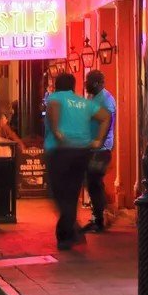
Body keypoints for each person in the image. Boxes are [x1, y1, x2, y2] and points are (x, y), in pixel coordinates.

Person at [43, 73, 110, 251]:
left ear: (57, 85)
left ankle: (67, 232)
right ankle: (69, 232)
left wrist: (57, 130)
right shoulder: (84, 102)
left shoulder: (55, 97)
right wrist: (98, 140)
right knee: (72, 193)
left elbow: (54, 107)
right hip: (82, 150)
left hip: (59, 151)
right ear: (73, 86)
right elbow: (105, 116)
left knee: (58, 192)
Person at [83, 70, 116, 233]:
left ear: (100, 83)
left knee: (94, 182)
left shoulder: (106, 100)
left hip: (101, 148)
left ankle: (100, 219)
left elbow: (107, 122)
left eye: (91, 82)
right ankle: (101, 215)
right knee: (92, 183)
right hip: (90, 146)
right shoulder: (91, 97)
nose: (87, 85)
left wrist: (99, 142)